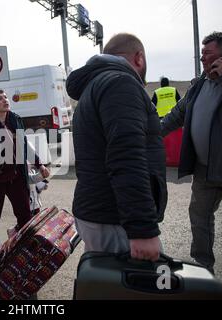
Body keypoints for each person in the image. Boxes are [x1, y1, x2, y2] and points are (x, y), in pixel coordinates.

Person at [66, 33, 168, 262]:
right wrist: (142, 229)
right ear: (139, 58)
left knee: (104, 283)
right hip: (114, 217)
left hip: (101, 212)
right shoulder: (120, 83)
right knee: (131, 287)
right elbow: (127, 156)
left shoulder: (96, 85)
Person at [161, 31, 222, 273]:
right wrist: (148, 132)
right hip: (205, 170)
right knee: (200, 218)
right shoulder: (199, 85)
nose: (202, 59)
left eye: (208, 53)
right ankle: (203, 267)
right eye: (202, 53)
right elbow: (176, 116)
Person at [0, 88, 50, 232]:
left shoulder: (15, 119)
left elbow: (24, 143)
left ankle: (21, 245)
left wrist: (40, 165)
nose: (5, 100)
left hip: (16, 175)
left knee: (25, 215)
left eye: (5, 97)